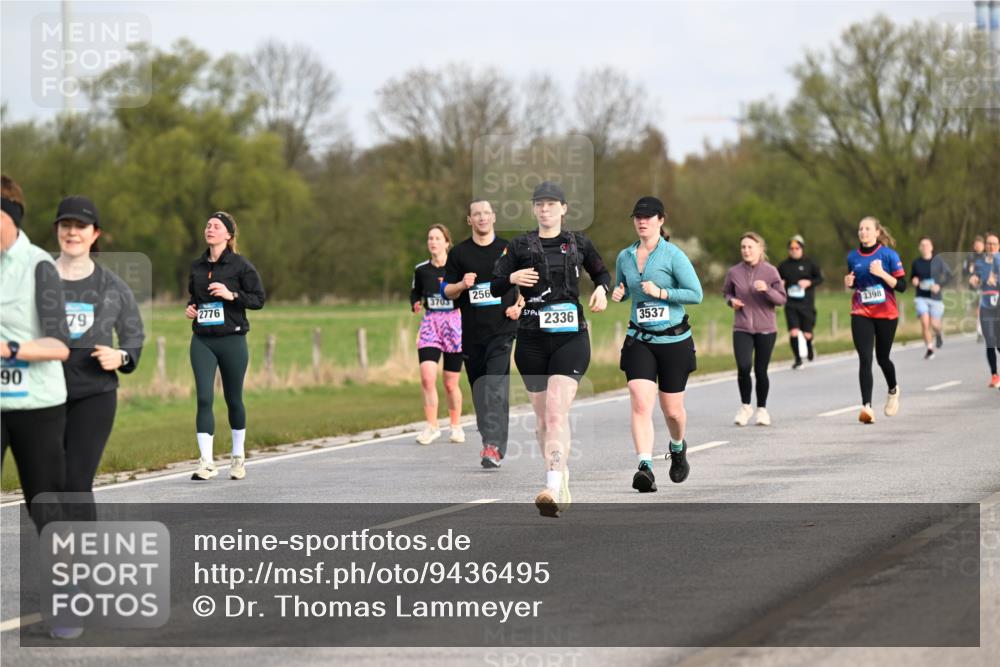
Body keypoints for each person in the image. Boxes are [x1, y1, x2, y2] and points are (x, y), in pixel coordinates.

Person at [492, 181, 611, 517]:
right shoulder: (519, 245)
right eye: (539, 204)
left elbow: (602, 274)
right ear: (534, 209)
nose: (545, 209)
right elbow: (495, 284)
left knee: (557, 413)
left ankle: (552, 486)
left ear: (563, 208)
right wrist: (513, 278)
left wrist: (602, 291)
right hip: (530, 340)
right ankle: (560, 471)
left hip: (570, 338)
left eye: (551, 204)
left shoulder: (578, 242)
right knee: (543, 419)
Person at [53, 196, 145, 516]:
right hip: (43, 394)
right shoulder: (37, 278)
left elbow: (133, 335)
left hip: (93, 394)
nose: (72, 232)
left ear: (95, 234)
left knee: (76, 484)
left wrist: (121, 356)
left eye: (80, 226)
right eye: (66, 225)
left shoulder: (112, 286)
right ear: (57, 230)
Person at [611, 196, 703, 493]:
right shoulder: (625, 256)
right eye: (638, 217)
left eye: (648, 217)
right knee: (640, 401)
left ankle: (677, 447)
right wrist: (619, 293)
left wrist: (662, 293)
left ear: (661, 220)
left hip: (674, 341)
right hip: (639, 339)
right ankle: (645, 467)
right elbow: (625, 288)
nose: (642, 221)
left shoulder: (673, 255)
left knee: (672, 411)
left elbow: (696, 294)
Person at [1, 175, 71, 527]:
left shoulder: (39, 265)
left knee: (45, 508)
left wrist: (8, 349)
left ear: (9, 216)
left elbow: (59, 345)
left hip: (37, 405)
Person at [186, 212, 266, 480]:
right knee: (204, 398)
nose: (210, 229)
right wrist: (191, 308)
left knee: (233, 399)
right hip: (203, 340)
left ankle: (237, 456)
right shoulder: (197, 266)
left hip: (233, 339)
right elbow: (194, 298)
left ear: (228, 235)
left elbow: (258, 299)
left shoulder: (240, 265)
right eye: (208, 225)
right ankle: (206, 462)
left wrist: (231, 294)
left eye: (216, 226)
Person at [442, 200, 522, 468]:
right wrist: (461, 285)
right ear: (469, 220)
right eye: (477, 214)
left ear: (494, 217)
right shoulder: (459, 253)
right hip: (472, 333)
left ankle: (494, 446)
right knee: (480, 391)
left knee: (495, 388)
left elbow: (528, 283)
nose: (482, 217)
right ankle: (489, 439)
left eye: (487, 213)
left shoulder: (509, 249)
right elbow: (446, 291)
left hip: (502, 330)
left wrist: (519, 306)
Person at [845, 216, 906, 424]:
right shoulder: (853, 257)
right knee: (865, 358)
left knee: (882, 358)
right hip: (861, 312)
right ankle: (867, 407)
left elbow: (902, 286)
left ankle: (893, 389)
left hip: (886, 314)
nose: (863, 232)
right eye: (860, 229)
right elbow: (855, 283)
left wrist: (882, 273)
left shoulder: (889, 255)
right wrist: (849, 282)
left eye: (867, 228)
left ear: (877, 232)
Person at [722, 232, 787, 427]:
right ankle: (745, 407)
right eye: (743, 247)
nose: (746, 250)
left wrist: (767, 289)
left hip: (766, 328)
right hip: (742, 327)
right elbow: (727, 293)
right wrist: (731, 301)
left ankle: (762, 410)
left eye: (750, 247)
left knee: (760, 370)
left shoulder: (771, 272)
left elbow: (781, 299)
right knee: (743, 367)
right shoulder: (734, 272)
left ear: (760, 249)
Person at [410, 224, 464, 445]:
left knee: (450, 383)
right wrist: (415, 302)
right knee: (427, 377)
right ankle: (432, 426)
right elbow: (415, 292)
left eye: (437, 238)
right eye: (430, 238)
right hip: (431, 323)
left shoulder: (457, 269)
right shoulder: (421, 270)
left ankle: (456, 426)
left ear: (446, 242)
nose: (433, 242)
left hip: (454, 324)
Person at [777, 234, 823, 369]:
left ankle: (809, 346)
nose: (794, 251)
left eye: (797, 248)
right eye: (791, 249)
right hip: (791, 304)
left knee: (807, 334)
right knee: (794, 332)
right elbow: (776, 281)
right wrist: (780, 284)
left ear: (802, 249)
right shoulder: (783, 266)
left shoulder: (810, 263)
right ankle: (797, 359)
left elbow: (820, 278)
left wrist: (809, 282)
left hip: (807, 304)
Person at [910, 236, 952, 360]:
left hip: (935, 298)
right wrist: (914, 280)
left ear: (931, 247)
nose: (925, 247)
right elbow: (913, 277)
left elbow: (949, 276)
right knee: (925, 323)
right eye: (922, 245)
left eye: (927, 245)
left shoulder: (938, 261)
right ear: (919, 248)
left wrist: (939, 286)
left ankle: (938, 333)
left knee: (934, 324)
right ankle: (929, 349)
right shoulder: (916, 263)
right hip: (921, 297)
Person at [968, 233, 1000, 389]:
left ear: (998, 246)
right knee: (990, 341)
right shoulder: (980, 263)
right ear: (985, 246)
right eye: (989, 243)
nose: (991, 246)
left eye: (994, 243)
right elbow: (976, 280)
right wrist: (974, 281)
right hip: (986, 306)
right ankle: (994, 375)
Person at [965, 236, 987, 342]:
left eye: (980, 244)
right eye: (976, 244)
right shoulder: (970, 257)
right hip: (974, 287)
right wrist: (969, 273)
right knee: (979, 309)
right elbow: (964, 271)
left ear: (984, 246)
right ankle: (980, 332)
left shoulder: (988, 257)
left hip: (987, 286)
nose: (978, 246)